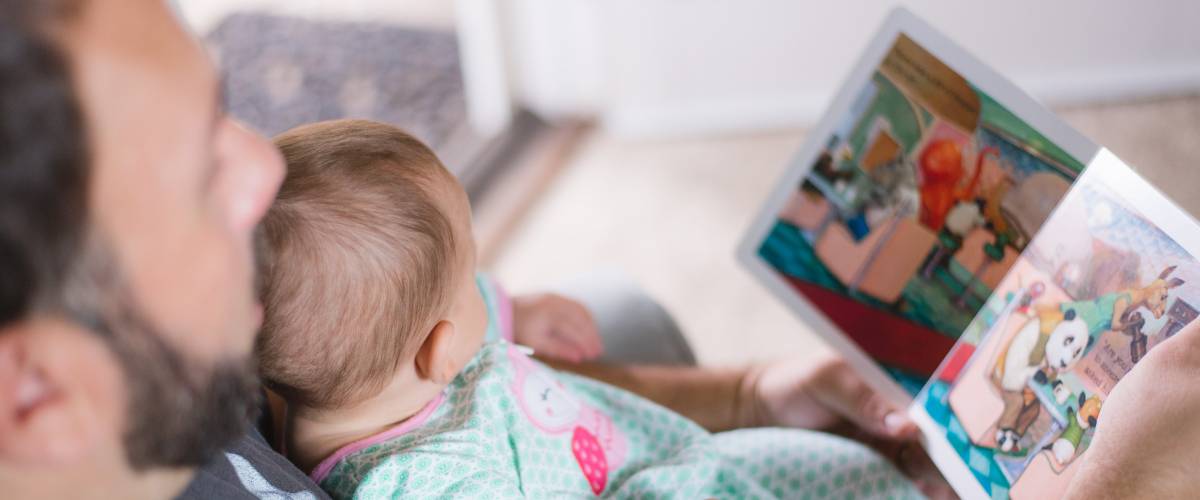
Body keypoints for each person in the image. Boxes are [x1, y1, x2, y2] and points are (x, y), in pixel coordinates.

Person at [0, 1, 1187, 499]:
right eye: (195, 171)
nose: (260, 168)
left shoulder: (205, 353)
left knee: (610, 307)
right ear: (33, 387)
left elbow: (437, 379)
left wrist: (737, 389)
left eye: (227, 107)